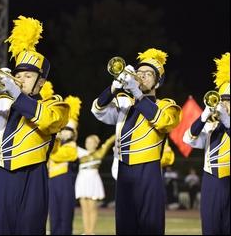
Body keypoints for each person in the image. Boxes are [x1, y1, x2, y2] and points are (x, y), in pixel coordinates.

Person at [0, 15, 70, 234]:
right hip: (2, 177)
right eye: (18, 75)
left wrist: (14, 92)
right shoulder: (3, 102)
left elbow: (49, 121)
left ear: (41, 81)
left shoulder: (54, 105)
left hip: (33, 177)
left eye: (28, 75)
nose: (21, 79)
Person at [91, 48, 181, 234]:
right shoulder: (124, 102)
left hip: (149, 170)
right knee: (124, 226)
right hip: (124, 171)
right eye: (139, 73)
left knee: (151, 226)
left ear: (158, 81)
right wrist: (113, 88)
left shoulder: (167, 105)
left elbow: (164, 123)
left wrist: (138, 95)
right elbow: (98, 110)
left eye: (148, 74)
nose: (142, 77)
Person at [183, 52, 230, 235]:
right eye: (223, 101)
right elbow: (188, 139)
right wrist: (203, 117)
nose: (225, 105)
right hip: (212, 181)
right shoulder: (211, 123)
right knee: (211, 229)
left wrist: (226, 121)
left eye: (229, 102)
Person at [47, 95, 81, 235]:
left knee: (65, 217)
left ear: (73, 133)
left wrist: (53, 148)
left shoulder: (72, 146)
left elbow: (56, 155)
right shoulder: (57, 143)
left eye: (68, 130)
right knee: (54, 216)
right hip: (52, 182)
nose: (64, 132)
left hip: (65, 183)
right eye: (63, 129)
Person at [75, 134, 115, 235]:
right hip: (82, 180)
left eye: (90, 142)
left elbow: (109, 142)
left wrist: (119, 131)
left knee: (92, 208)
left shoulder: (99, 153)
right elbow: (71, 144)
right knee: (84, 208)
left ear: (96, 144)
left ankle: (91, 232)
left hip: (93, 181)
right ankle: (86, 231)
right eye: (87, 142)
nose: (88, 144)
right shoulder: (80, 152)